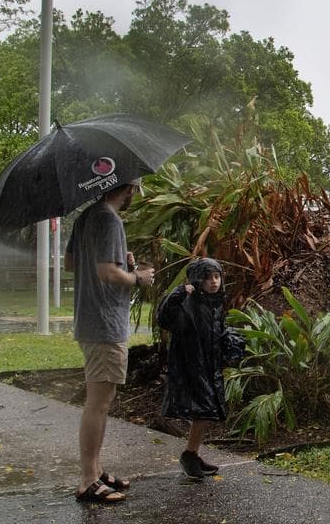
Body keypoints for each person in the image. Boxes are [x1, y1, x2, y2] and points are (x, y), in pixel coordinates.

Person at [65, 179, 153, 504]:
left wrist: (118, 258)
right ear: (128, 188)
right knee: (98, 403)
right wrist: (138, 277)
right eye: (137, 189)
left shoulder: (87, 216)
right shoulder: (110, 218)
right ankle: (88, 480)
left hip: (88, 319)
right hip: (104, 323)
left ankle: (97, 469)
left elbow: (71, 264)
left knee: (100, 400)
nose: (136, 195)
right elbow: (106, 273)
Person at [156, 257, 235, 479]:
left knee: (207, 412)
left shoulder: (215, 303)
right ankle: (189, 454)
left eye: (217, 276)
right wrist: (179, 293)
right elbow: (164, 317)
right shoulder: (188, 304)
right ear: (198, 279)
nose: (214, 282)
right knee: (205, 410)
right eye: (208, 277)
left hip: (210, 366)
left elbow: (216, 332)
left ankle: (192, 453)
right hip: (191, 367)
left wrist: (230, 342)